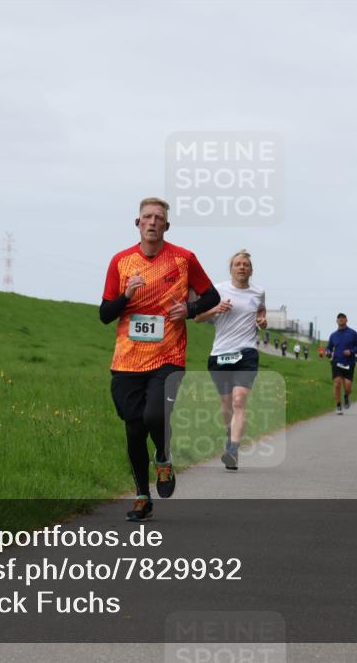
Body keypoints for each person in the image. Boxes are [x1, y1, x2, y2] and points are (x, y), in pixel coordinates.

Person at [100, 197, 220, 521]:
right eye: (146, 217)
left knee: (155, 415)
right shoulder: (121, 263)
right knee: (134, 429)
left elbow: (212, 296)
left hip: (169, 354)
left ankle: (163, 457)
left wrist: (190, 309)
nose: (152, 222)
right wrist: (127, 295)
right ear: (137, 223)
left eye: (158, 218)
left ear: (167, 225)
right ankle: (142, 496)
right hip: (127, 359)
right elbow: (104, 314)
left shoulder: (184, 259)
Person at [195, 249, 266, 471]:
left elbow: (260, 311)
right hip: (221, 353)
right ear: (231, 268)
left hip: (247, 353)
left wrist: (262, 321)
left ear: (251, 269)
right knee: (226, 404)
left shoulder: (259, 292)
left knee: (238, 400)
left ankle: (233, 450)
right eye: (238, 264)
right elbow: (197, 317)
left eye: (245, 264)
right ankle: (230, 434)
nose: (242, 267)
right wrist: (216, 308)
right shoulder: (217, 290)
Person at [324, 313, 357, 414]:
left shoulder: (353, 333)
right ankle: (338, 406)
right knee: (337, 384)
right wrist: (327, 352)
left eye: (343, 318)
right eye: (339, 319)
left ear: (346, 320)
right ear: (337, 321)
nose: (341, 320)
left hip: (349, 363)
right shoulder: (333, 335)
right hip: (337, 362)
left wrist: (351, 351)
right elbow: (329, 347)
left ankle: (346, 396)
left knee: (348, 387)